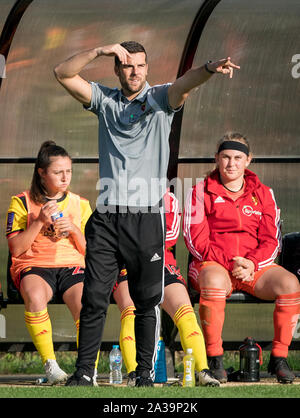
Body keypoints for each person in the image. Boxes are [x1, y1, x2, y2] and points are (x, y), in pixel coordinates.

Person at [54, 40, 240, 386]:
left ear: (147, 68)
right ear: (117, 69)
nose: (134, 71)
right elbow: (62, 73)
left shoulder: (160, 100)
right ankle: (83, 373)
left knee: (145, 300)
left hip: (145, 217)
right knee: (94, 297)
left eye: (140, 65)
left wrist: (210, 68)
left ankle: (143, 373)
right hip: (107, 217)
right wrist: (99, 50)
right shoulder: (104, 100)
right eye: (127, 65)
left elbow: (184, 84)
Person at [183, 132, 300, 384]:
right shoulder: (199, 191)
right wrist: (231, 264)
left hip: (252, 267)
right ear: (216, 158)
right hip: (212, 265)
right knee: (213, 282)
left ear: (248, 160)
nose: (231, 163)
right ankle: (215, 360)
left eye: (238, 157)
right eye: (225, 157)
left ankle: (279, 359)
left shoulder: (264, 193)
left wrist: (251, 264)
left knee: (290, 284)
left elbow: (273, 239)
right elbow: (195, 240)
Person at [5, 141, 92, 384]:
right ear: (42, 173)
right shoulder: (21, 202)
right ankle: (51, 366)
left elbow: (90, 251)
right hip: (34, 266)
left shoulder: (81, 204)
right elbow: (17, 248)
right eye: (58, 172)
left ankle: (87, 368)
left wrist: (74, 229)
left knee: (87, 303)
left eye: (69, 171)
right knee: (34, 296)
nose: (65, 178)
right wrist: (39, 222)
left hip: (72, 266)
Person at [112, 191, 220, 387]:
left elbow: (169, 236)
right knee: (130, 311)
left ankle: (202, 371)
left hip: (161, 263)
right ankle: (134, 374)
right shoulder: (117, 194)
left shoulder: (167, 197)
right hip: (128, 264)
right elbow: (111, 235)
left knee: (185, 312)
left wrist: (134, 237)